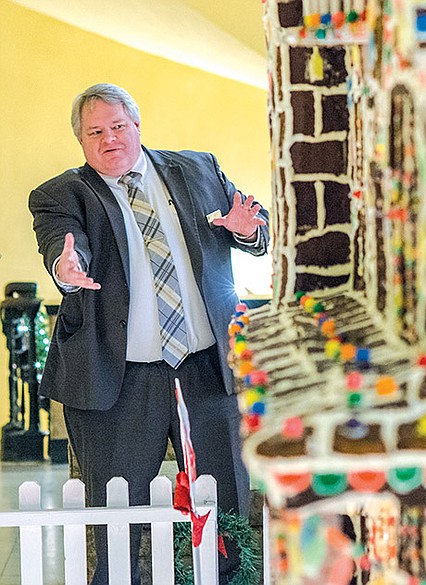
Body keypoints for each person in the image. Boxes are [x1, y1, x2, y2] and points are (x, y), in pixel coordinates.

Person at [28, 83, 269, 584]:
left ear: (137, 126)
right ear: (81, 140)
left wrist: (248, 229)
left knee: (222, 504)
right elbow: (61, 244)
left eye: (118, 127)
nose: (109, 139)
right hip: (118, 379)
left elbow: (256, 231)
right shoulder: (60, 194)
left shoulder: (199, 168)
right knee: (118, 515)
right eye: (96, 132)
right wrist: (64, 267)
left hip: (205, 367)